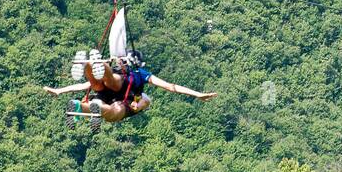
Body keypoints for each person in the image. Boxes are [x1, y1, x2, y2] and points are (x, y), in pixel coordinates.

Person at [45, 50, 216, 123]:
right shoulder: (136, 76)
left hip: (115, 95)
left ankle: (92, 68)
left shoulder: (138, 81)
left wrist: (60, 90)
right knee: (110, 102)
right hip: (117, 93)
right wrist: (197, 94)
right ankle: (94, 65)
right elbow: (171, 87)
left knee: (102, 94)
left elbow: (170, 87)